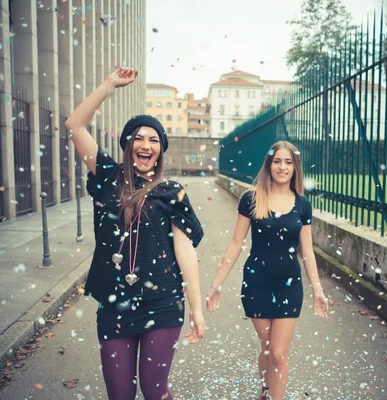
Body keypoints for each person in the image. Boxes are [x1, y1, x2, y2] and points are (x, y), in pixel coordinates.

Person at [66, 67, 205, 400]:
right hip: (114, 303)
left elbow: (185, 251)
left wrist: (196, 308)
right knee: (120, 395)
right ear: (127, 145)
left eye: (154, 140)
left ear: (160, 151)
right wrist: (109, 85)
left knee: (155, 393)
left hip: (163, 302)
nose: (146, 144)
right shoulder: (107, 178)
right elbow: (75, 126)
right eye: (139, 138)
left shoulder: (171, 192)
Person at [206, 141, 329, 400]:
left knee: (278, 353)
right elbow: (235, 244)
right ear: (269, 165)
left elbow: (307, 251)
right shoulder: (251, 199)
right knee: (266, 347)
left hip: (289, 286)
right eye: (277, 161)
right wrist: (216, 285)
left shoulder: (303, 205)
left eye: (288, 162)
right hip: (257, 285)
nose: (282, 167)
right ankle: (265, 389)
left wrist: (317, 290)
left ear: (295, 168)